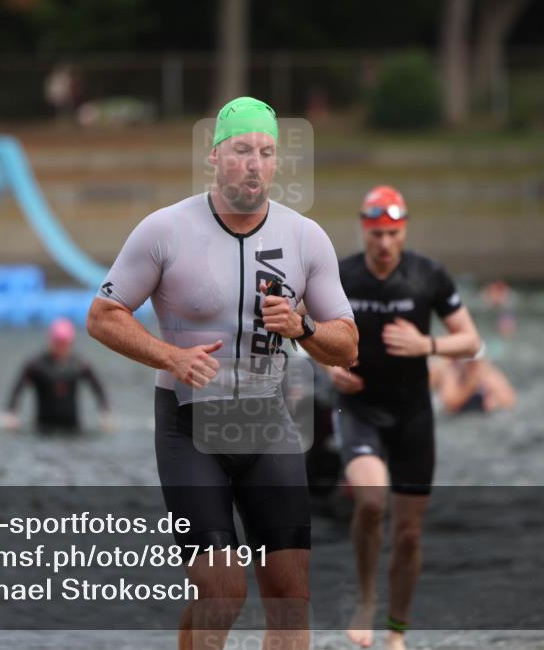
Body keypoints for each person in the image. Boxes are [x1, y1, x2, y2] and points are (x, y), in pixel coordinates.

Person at [87, 96, 358, 650]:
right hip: (190, 427)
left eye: (265, 152)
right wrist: (171, 356)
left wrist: (303, 327)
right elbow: (102, 317)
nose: (254, 163)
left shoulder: (306, 238)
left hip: (268, 423)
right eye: (240, 150)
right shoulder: (165, 230)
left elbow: (347, 345)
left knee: (289, 597)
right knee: (221, 589)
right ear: (214, 156)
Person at [327, 185, 481, 650]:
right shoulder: (342, 275)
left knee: (410, 535)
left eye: (393, 233)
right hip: (359, 410)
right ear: (364, 230)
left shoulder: (428, 275)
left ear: (404, 230)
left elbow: (470, 340)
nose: (384, 243)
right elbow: (303, 330)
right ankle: (367, 599)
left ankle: (396, 632)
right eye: (376, 233)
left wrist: (427, 345)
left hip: (413, 415)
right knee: (372, 503)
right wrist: (328, 365)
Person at [1, 318, 111, 434]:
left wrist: (105, 413)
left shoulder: (79, 365)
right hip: (43, 429)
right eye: (57, 343)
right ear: (51, 341)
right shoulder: (36, 366)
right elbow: (18, 388)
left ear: (71, 343)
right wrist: (11, 414)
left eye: (64, 343)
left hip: (73, 429)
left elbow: (97, 387)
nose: (61, 348)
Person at [434, 357, 516, 414]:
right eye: (469, 363)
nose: (472, 365)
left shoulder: (487, 373)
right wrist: (471, 384)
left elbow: (510, 400)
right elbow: (450, 404)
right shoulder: (453, 372)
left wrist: (495, 401)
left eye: (475, 362)